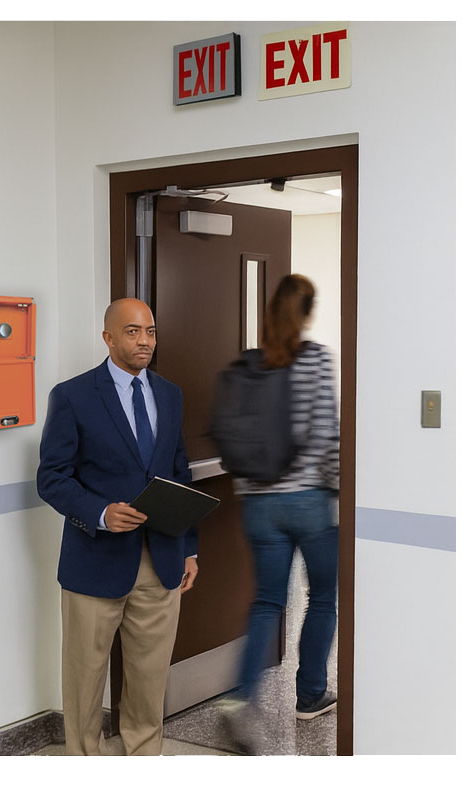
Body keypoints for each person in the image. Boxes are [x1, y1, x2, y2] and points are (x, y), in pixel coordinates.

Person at [36, 297, 197, 756]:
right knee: (85, 676)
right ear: (108, 337)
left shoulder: (169, 394)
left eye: (150, 331)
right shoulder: (72, 396)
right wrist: (102, 513)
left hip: (162, 560)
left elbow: (180, 474)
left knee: (150, 677)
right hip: (95, 561)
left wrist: (189, 548)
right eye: (133, 331)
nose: (145, 340)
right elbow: (51, 478)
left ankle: (143, 755)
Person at [223, 274, 340, 749]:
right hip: (309, 501)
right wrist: (340, 492)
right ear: (307, 312)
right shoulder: (316, 360)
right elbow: (327, 436)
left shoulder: (249, 365)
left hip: (258, 504)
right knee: (323, 597)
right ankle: (309, 695)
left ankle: (240, 699)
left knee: (268, 601)